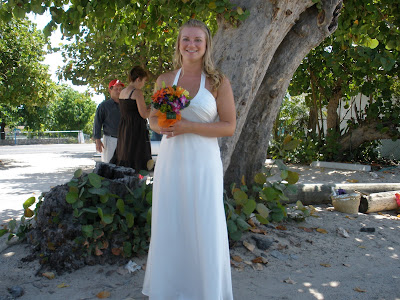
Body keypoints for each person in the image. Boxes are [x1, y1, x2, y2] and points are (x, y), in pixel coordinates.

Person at [142, 19, 236, 299]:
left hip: (204, 164)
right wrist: (160, 126)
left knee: (204, 223)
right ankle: (170, 289)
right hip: (171, 163)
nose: (191, 45)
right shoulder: (164, 80)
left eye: (198, 40)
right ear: (179, 44)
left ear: (206, 45)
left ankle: (204, 291)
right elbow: (156, 120)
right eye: (186, 39)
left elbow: (229, 126)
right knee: (171, 222)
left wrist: (188, 127)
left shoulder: (218, 81)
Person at [110, 66, 152, 171]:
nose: (143, 84)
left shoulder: (123, 92)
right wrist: (155, 107)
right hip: (136, 129)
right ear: (138, 79)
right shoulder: (137, 92)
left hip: (125, 127)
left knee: (125, 155)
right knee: (137, 159)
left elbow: (131, 110)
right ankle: (138, 182)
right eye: (144, 81)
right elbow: (144, 114)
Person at [93, 79, 124, 163]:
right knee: (109, 166)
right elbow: (97, 123)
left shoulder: (126, 105)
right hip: (110, 140)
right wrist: (97, 140)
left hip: (125, 140)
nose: (118, 91)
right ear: (110, 90)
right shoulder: (104, 106)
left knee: (125, 167)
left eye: (120, 89)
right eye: (116, 89)